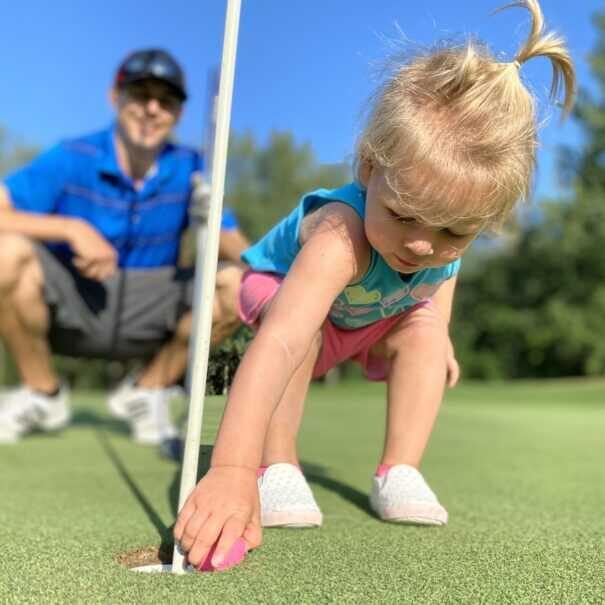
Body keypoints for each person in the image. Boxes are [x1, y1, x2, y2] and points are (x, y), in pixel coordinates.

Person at [174, 0, 575, 569]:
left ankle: (400, 469)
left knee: (427, 335)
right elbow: (283, 341)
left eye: (455, 230)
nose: (422, 245)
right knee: (303, 333)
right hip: (277, 298)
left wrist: (438, 344)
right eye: (404, 215)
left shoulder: (441, 244)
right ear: (367, 169)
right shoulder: (342, 233)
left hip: (361, 319)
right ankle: (275, 464)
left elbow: (434, 296)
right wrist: (231, 470)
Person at [0, 48, 249, 445]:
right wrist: (69, 227)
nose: (152, 109)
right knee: (5, 254)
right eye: (139, 95)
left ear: (178, 114)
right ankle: (42, 393)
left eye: (165, 101)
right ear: (114, 97)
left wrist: (217, 220)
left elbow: (233, 245)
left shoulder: (193, 167)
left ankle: (146, 393)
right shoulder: (71, 156)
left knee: (241, 284)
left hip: (151, 306)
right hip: (74, 302)